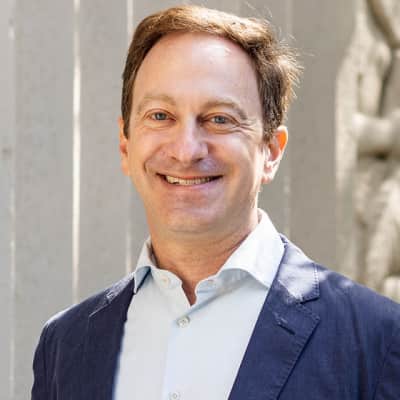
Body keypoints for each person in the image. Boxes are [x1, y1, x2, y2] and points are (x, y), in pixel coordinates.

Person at [31, 5, 400, 400]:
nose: (186, 150)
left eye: (220, 119)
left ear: (271, 151)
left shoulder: (377, 342)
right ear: (125, 145)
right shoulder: (65, 345)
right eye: (160, 116)